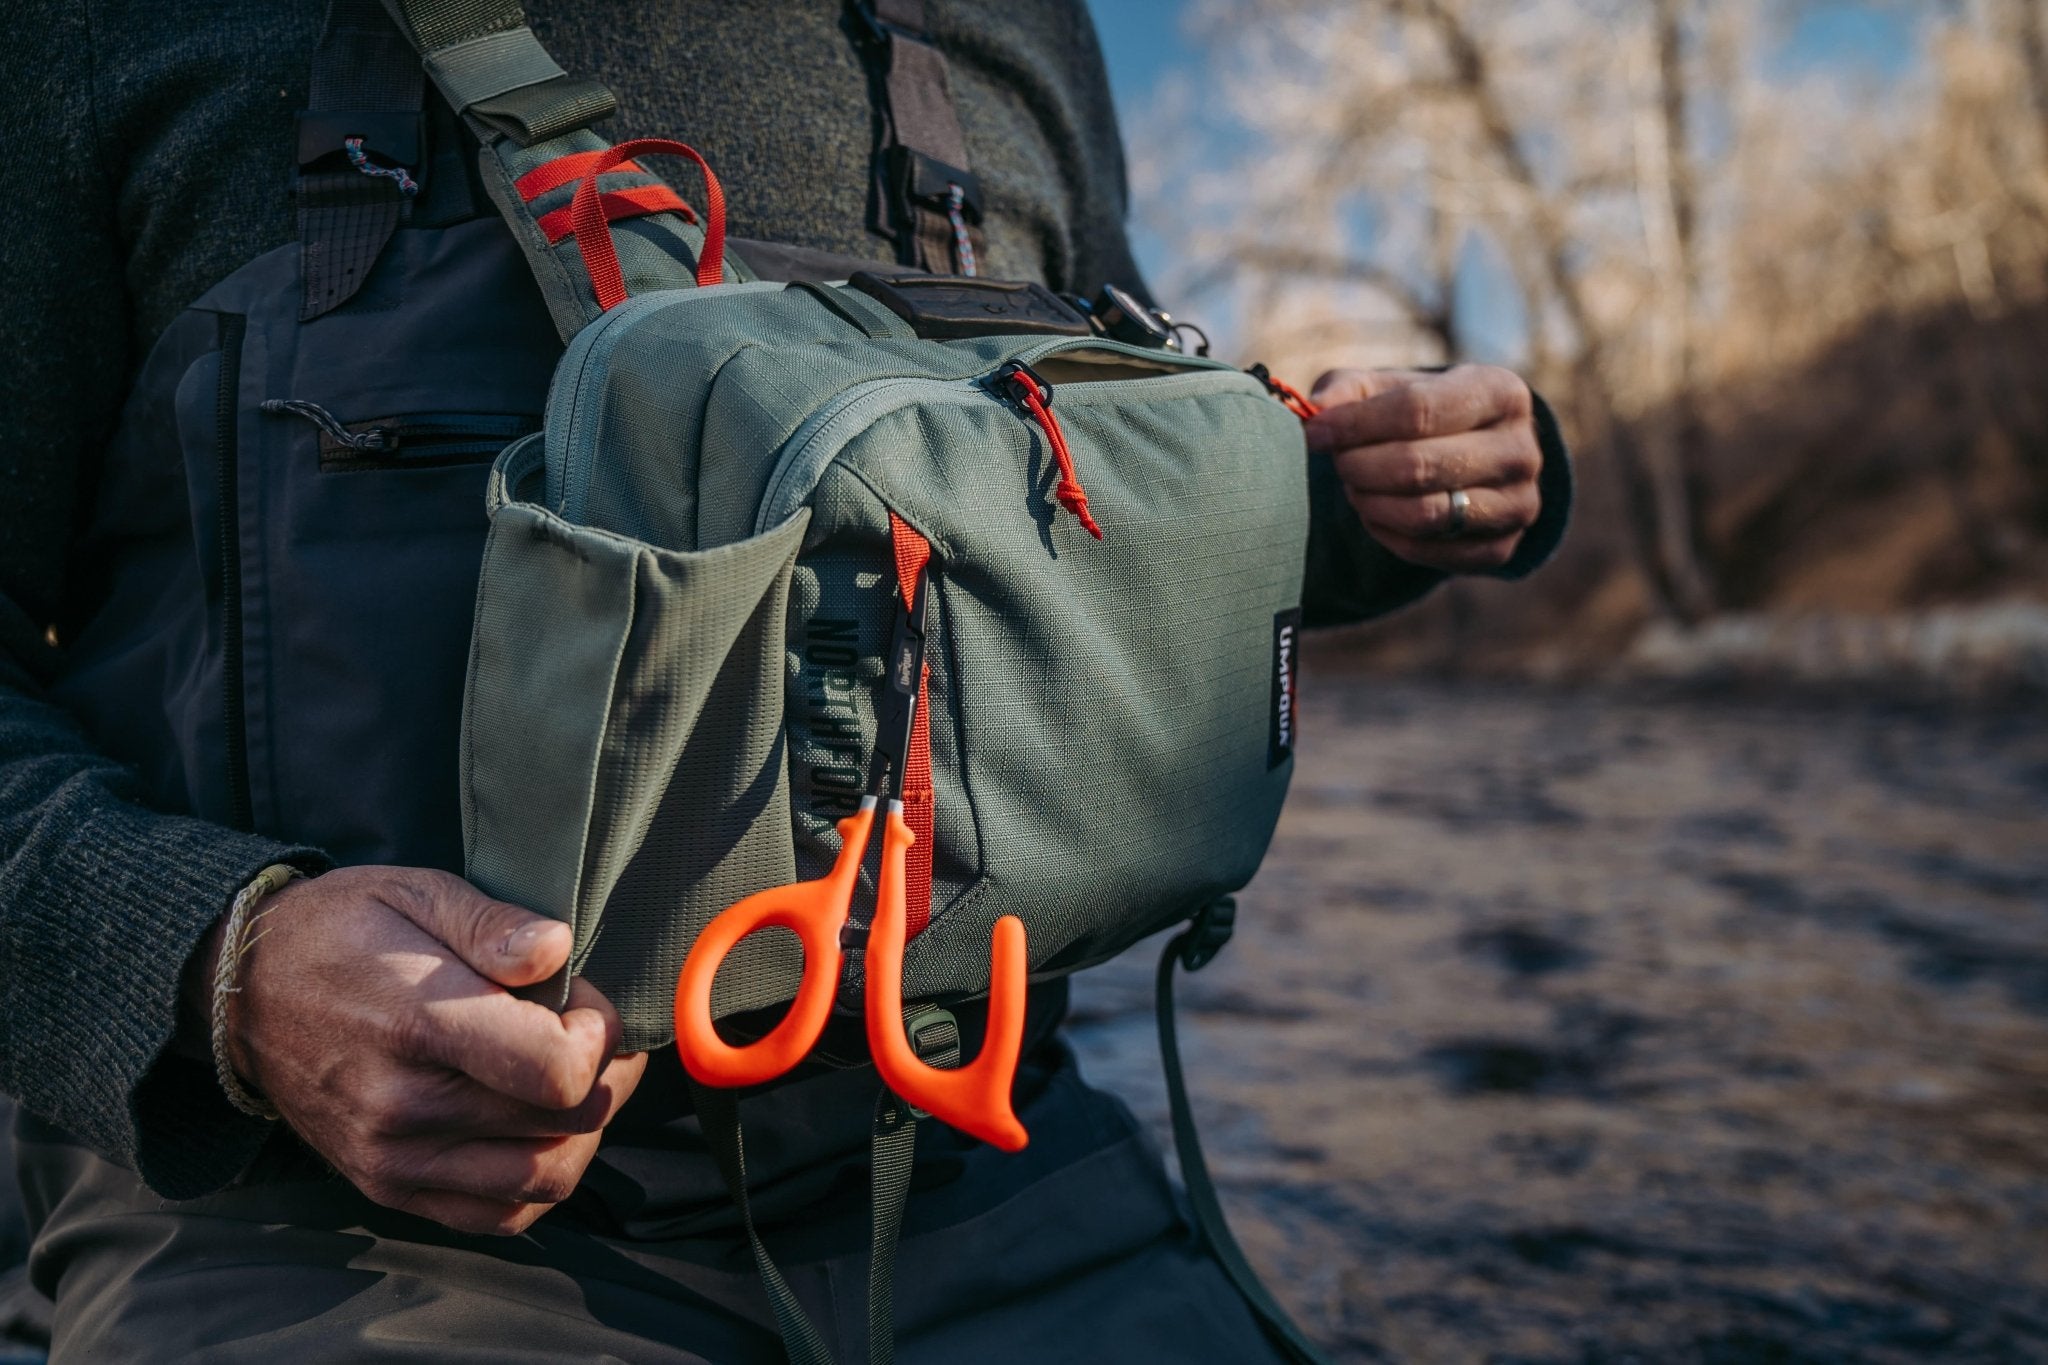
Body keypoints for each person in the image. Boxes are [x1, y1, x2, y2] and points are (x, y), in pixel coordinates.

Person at [0, 1, 1569, 1359]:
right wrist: (224, 970)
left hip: (992, 1152)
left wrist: (1372, 507)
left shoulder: (1023, 28)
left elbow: (1089, 524)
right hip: (310, 1213)